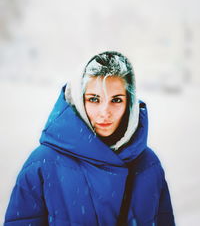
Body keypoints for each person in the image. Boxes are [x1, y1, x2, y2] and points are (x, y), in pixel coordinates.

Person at [4, 51, 175, 225]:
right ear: (79, 100)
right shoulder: (43, 163)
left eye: (116, 100)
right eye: (94, 99)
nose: (105, 112)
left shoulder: (148, 164)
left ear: (129, 103)